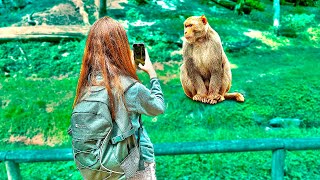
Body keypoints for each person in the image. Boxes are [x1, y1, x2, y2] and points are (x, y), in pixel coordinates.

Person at [71, 16, 165, 179]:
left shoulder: (88, 84)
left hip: (101, 169)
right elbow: (158, 107)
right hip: (133, 168)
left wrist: (128, 73)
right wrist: (152, 74)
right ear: (121, 47)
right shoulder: (130, 88)